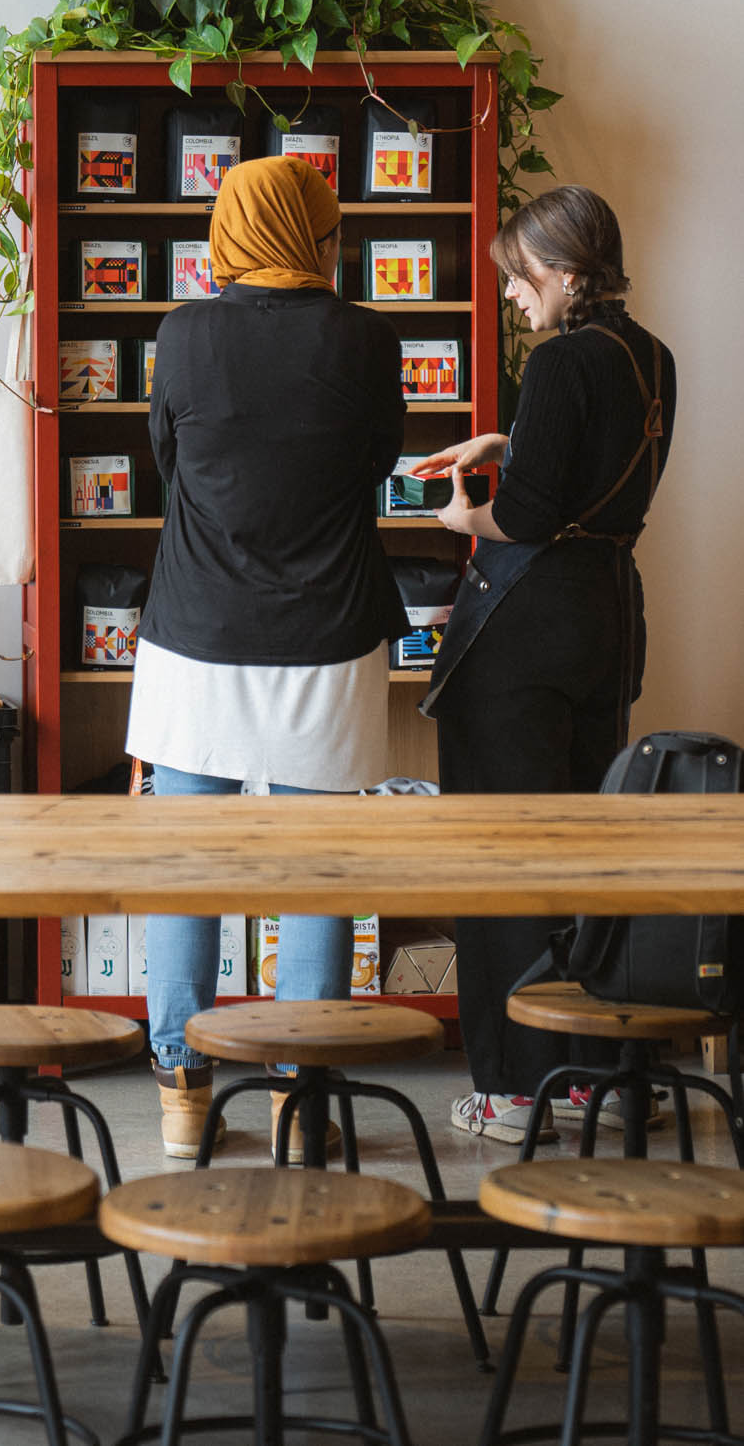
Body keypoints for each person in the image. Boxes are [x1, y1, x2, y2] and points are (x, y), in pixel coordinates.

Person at [126, 153, 409, 1158]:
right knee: (315, 872)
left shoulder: (182, 334)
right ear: (315, 233)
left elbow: (169, 462)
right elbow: (379, 463)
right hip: (327, 636)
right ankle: (301, 1094)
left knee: (185, 869)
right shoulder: (367, 339)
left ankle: (182, 1092)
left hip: (195, 632)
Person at [411, 184, 676, 1144]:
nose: (516, 298)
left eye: (521, 280)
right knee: (578, 851)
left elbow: (522, 516)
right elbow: (598, 470)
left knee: (498, 858)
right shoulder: (652, 358)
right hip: (607, 620)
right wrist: (507, 442)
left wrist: (460, 516)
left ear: (566, 271)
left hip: (523, 630)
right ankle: (582, 1076)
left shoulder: (563, 358)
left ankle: (511, 1089)